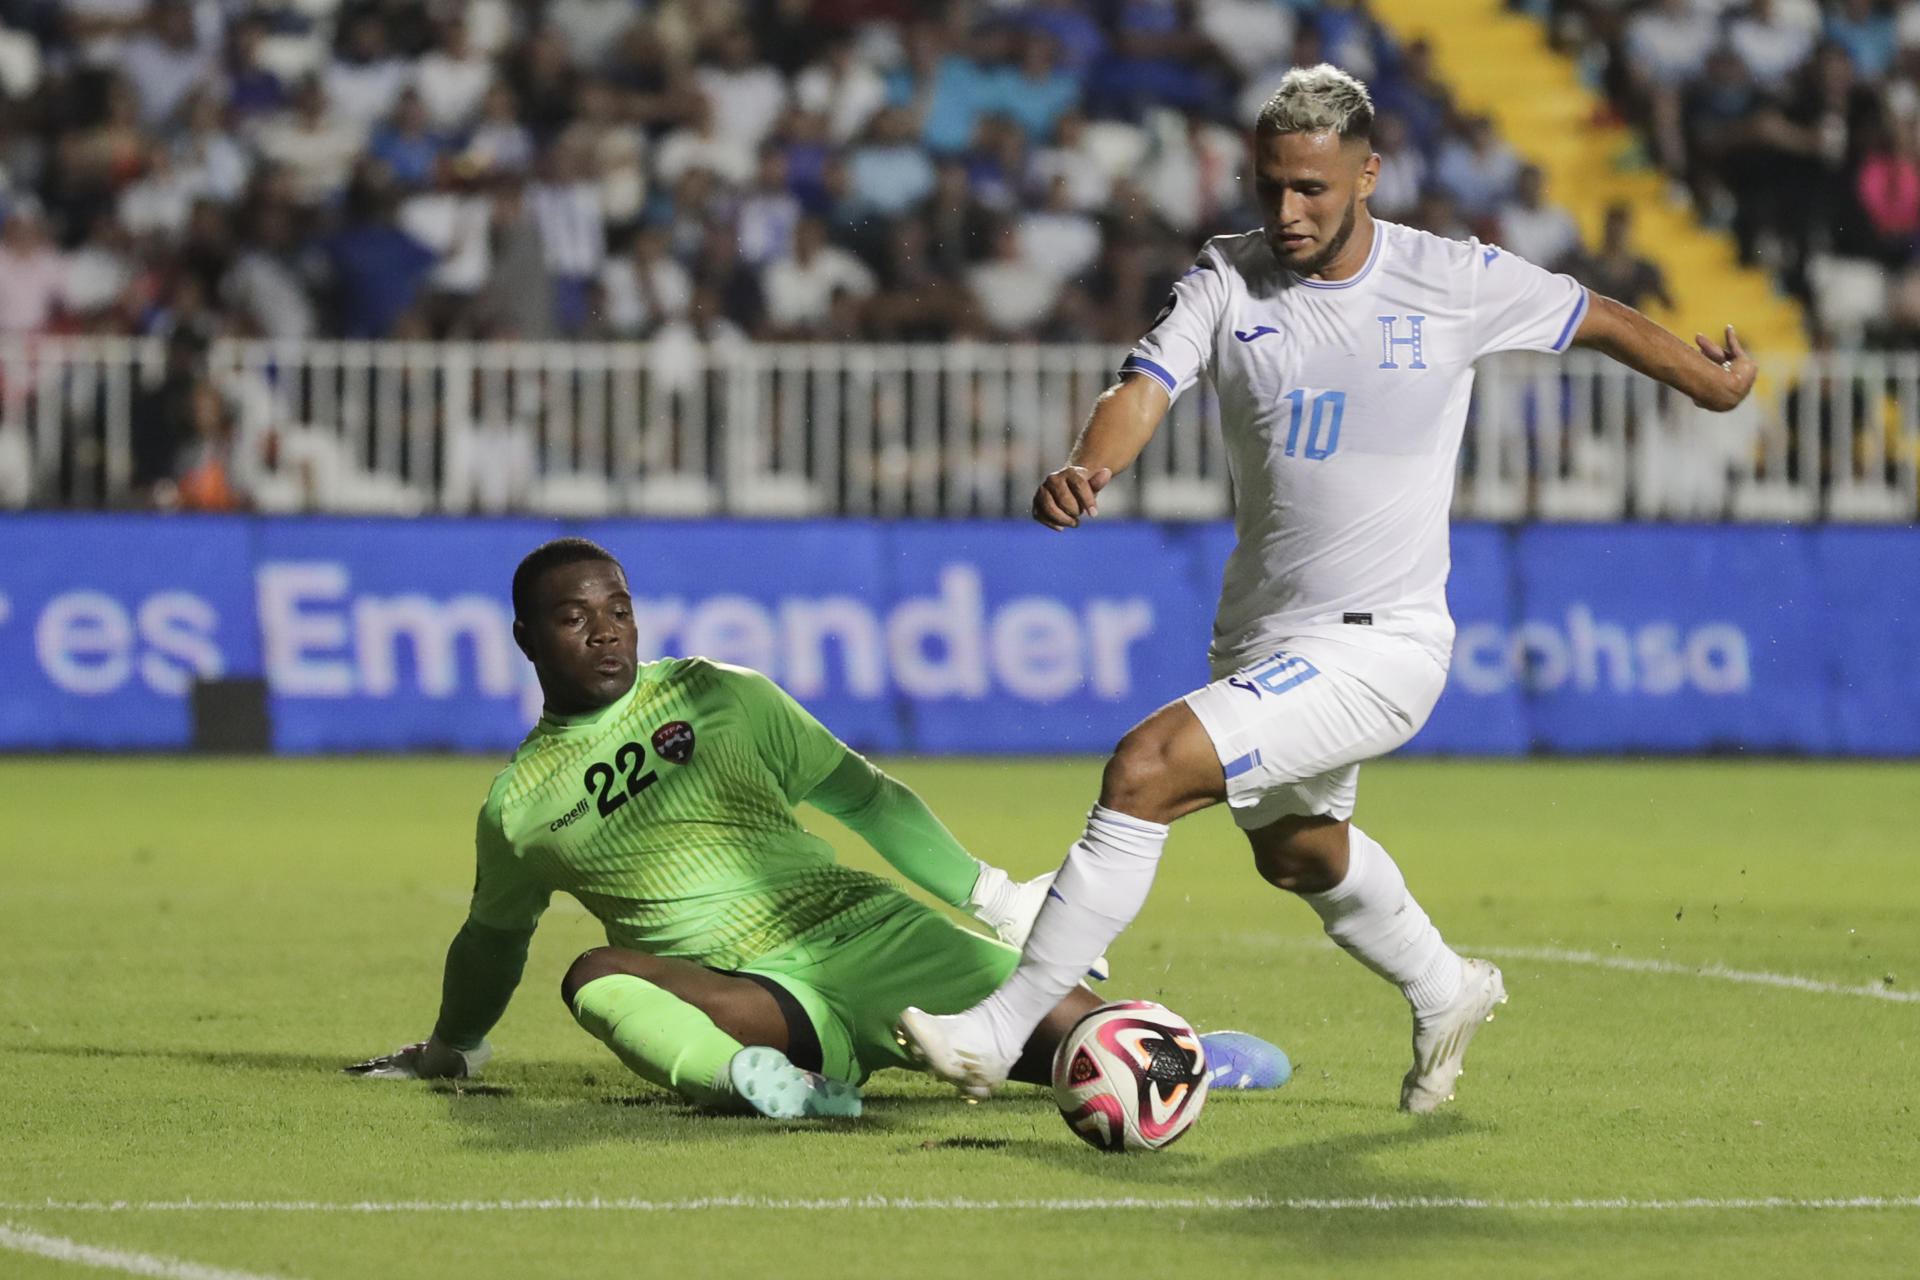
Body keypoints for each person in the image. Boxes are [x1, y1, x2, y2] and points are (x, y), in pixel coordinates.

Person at [897, 64, 1757, 1114]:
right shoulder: (1226, 275)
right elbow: (1145, 386)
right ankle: (1447, 987)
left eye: (1311, 188)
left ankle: (1003, 1027)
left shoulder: (1452, 277)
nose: (1288, 211)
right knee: (1300, 857)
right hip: (1264, 638)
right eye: (1271, 188)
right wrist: (1093, 465)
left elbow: (1598, 317)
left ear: (1368, 174)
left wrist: (1707, 381)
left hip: (1385, 641)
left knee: (1146, 767)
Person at [347, 539, 1286, 1117]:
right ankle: (771, 1089)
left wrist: (990, 895)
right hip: (750, 998)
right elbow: (491, 941)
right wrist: (452, 1045)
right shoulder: (517, 804)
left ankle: (1188, 1053)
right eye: (572, 618)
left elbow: (864, 797)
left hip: (870, 935)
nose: (605, 633)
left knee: (1097, 1043)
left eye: (619, 610)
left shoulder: (719, 693)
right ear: (526, 639)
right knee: (594, 975)